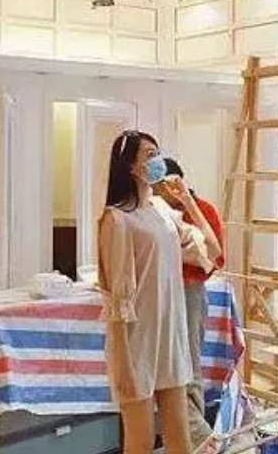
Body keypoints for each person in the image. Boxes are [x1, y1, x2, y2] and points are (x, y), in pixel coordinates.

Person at [97, 131, 193, 454]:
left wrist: (188, 201)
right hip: (137, 341)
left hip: (170, 335)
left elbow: (209, 248)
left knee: (180, 439)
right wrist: (123, 362)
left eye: (157, 153)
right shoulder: (117, 219)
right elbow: (117, 298)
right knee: (140, 442)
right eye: (149, 155)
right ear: (130, 166)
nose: (157, 161)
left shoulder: (162, 210)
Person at [152, 158, 224, 449]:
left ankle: (202, 441)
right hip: (161, 293)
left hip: (189, 291)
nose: (159, 192)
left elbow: (214, 255)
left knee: (187, 368)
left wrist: (188, 204)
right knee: (170, 371)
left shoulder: (200, 211)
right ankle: (193, 440)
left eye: (162, 186)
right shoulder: (157, 211)